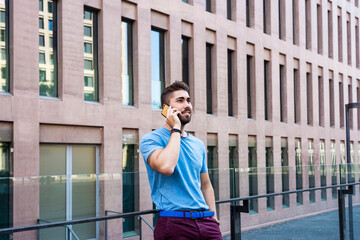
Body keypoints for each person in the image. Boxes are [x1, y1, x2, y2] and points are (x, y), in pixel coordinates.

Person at [140, 81, 222, 240]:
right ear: (166, 109)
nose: (187, 105)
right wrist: (176, 129)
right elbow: (166, 167)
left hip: (206, 222)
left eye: (188, 100)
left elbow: (205, 185)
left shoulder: (198, 144)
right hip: (174, 223)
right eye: (180, 100)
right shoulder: (151, 140)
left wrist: (214, 219)